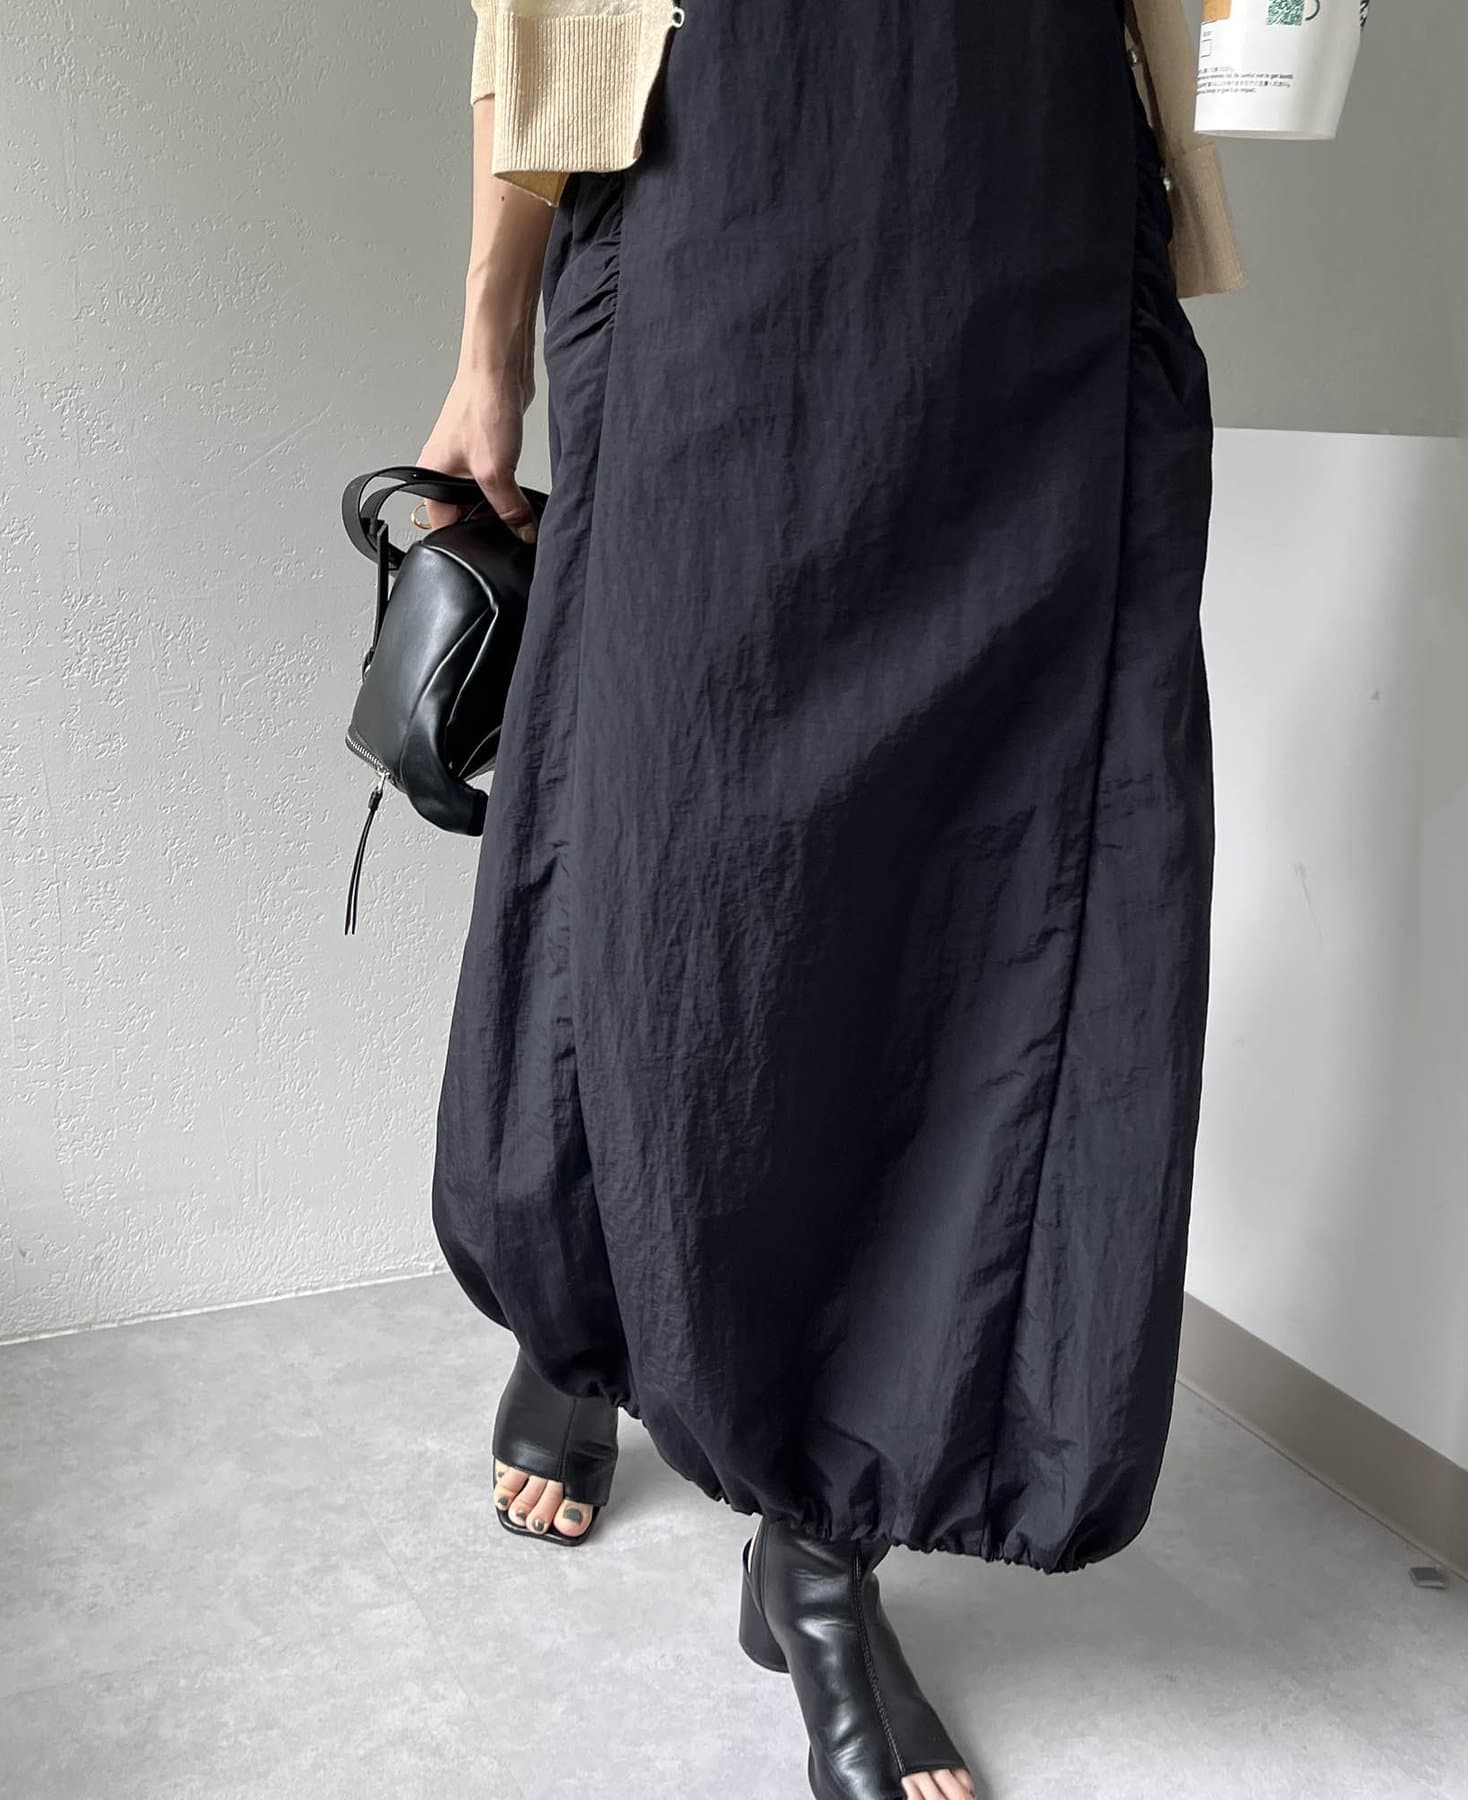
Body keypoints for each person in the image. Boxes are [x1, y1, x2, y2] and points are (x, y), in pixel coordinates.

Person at [420, 1, 1240, 1793]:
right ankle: (586, 1313)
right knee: (663, 862)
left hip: (1035, 225)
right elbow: (536, 20)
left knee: (987, 892)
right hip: (722, 188)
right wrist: (488, 345)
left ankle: (820, 1547)